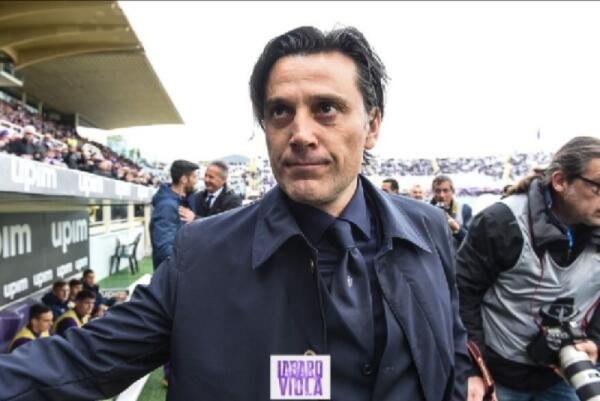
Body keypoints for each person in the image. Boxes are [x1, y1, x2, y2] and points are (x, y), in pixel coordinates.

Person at [0, 26, 468, 401]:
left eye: (326, 108)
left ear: (372, 125)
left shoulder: (428, 229)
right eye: (280, 112)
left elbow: (451, 344)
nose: (300, 133)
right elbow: (80, 361)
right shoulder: (202, 253)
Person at [457, 136, 600, 401]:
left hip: (564, 373)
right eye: (599, 187)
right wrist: (472, 368)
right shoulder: (502, 222)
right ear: (560, 181)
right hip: (499, 373)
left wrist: (594, 341)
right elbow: (462, 295)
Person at [149, 159, 198, 270]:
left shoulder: (183, 200)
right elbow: (164, 248)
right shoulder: (166, 206)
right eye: (194, 177)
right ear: (184, 179)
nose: (196, 181)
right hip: (172, 273)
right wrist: (189, 262)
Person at [178, 160, 242, 221]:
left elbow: (226, 225)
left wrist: (195, 218)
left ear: (223, 179)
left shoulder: (233, 201)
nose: (206, 180)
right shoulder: (197, 197)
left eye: (211, 177)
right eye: (205, 175)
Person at [430, 175, 472, 248]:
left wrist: (457, 229)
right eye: (438, 191)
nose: (442, 195)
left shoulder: (464, 209)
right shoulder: (425, 210)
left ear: (453, 191)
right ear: (433, 192)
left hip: (456, 254)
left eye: (445, 190)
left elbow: (471, 241)